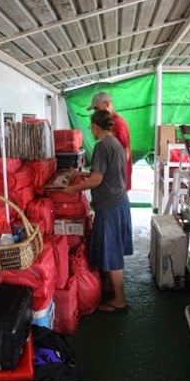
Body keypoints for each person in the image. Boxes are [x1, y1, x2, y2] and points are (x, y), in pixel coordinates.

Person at [64, 110, 133, 312]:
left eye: (91, 127)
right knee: (114, 247)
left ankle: (119, 300)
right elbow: (102, 172)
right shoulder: (115, 143)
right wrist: (79, 173)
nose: (91, 130)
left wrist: (72, 189)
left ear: (95, 126)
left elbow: (96, 180)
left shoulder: (101, 146)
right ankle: (111, 287)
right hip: (120, 201)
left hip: (110, 205)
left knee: (111, 252)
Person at [87, 92, 132, 191]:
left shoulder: (118, 124)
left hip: (116, 185)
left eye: (97, 108)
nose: (95, 112)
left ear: (106, 104)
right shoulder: (111, 127)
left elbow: (125, 155)